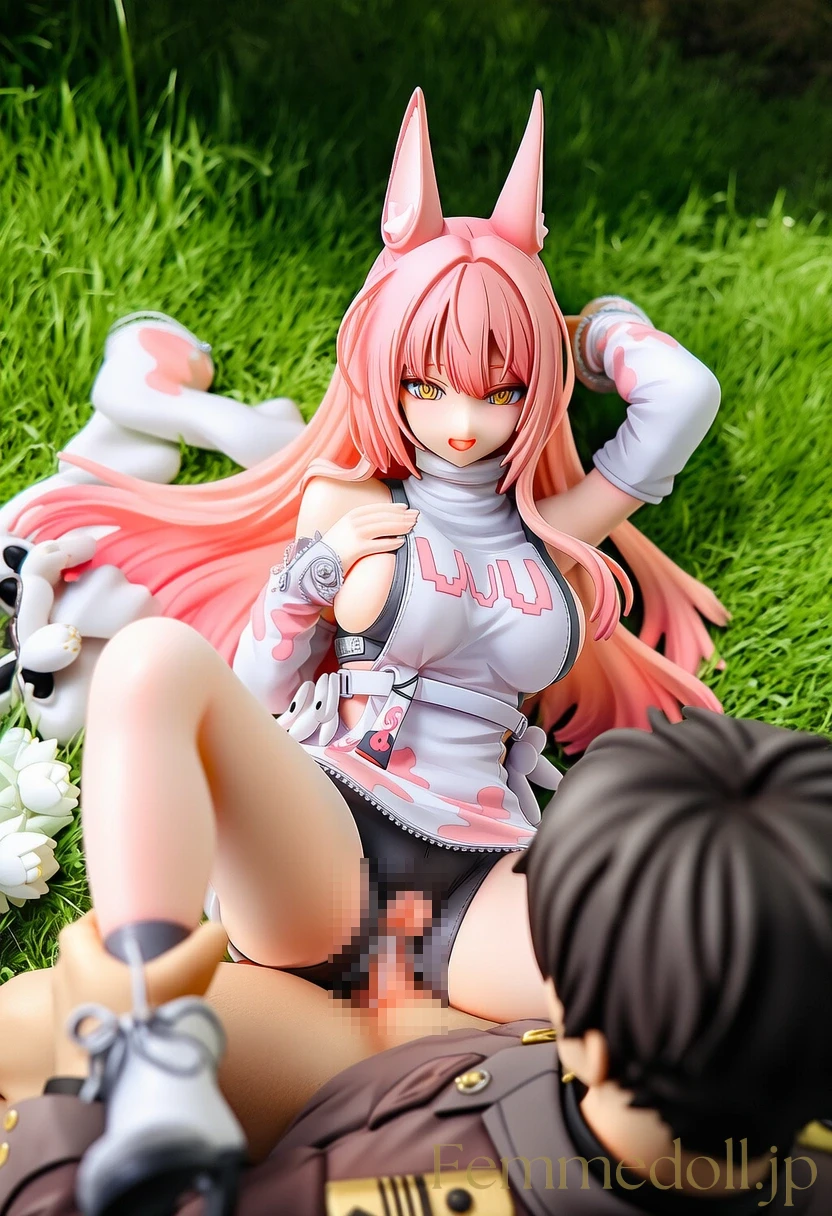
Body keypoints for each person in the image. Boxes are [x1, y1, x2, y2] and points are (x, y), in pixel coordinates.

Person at [4, 708, 832, 1216]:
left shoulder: (383, 1199)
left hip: (348, 1124)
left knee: (38, 1027)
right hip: (419, 1059)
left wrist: (80, 1078)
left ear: (593, 1047)